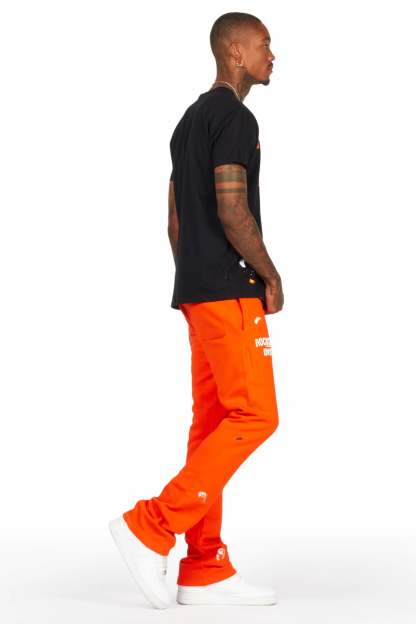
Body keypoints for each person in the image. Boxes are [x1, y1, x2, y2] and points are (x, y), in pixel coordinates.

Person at [109, 11, 284, 609]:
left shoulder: (188, 122)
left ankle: (205, 567)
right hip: (230, 291)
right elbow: (233, 209)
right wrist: (269, 274)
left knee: (212, 426)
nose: (272, 55)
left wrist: (195, 276)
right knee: (256, 415)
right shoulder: (235, 118)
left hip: (197, 291)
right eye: (264, 45)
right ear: (235, 52)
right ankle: (150, 525)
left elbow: (175, 221)